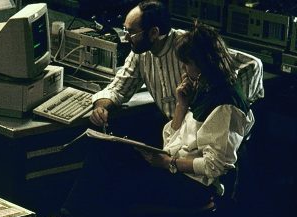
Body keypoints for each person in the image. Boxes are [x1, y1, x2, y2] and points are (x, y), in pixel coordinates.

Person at [61, 21, 255, 217]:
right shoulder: (204, 90)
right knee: (104, 155)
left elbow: (215, 166)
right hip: (176, 170)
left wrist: (169, 163)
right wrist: (181, 105)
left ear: (202, 64)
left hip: (193, 186)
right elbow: (173, 142)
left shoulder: (226, 103)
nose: (183, 70)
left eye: (186, 64)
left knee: (115, 186)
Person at [89, 0, 263, 132]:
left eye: (131, 32)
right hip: (177, 132)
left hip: (205, 137)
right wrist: (100, 107)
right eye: (125, 30)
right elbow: (118, 89)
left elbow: (253, 65)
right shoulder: (140, 52)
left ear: (154, 33)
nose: (125, 38)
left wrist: (233, 111)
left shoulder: (188, 44)